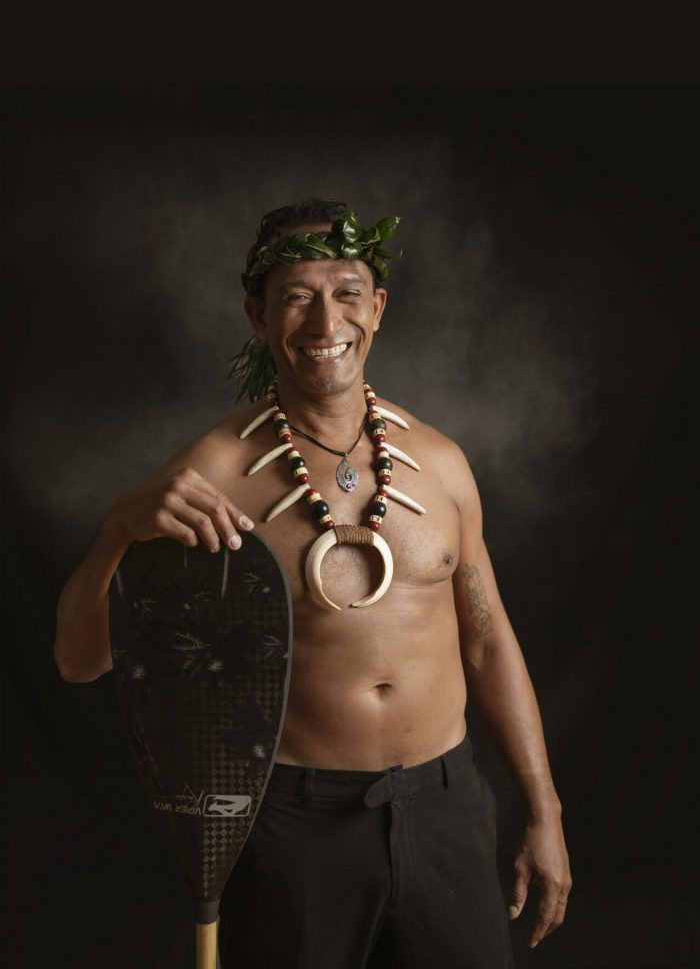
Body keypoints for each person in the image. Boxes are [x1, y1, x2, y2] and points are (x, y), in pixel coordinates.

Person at [54, 197, 572, 968]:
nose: (326, 323)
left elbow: (489, 639)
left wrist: (545, 810)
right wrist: (116, 532)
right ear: (258, 317)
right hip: (294, 825)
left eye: (347, 293)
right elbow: (79, 658)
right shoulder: (214, 474)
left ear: (378, 309)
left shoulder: (442, 464)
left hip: (445, 806)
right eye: (297, 296)